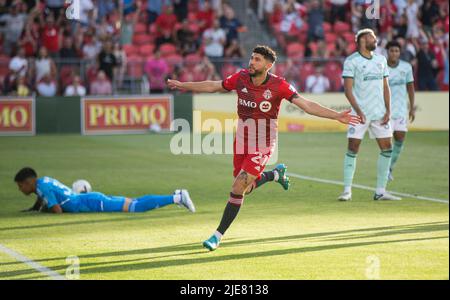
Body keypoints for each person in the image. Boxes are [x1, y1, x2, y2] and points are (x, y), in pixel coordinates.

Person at [167, 45, 361, 251]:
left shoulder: (279, 85)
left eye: (257, 59)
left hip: (263, 141)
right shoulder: (240, 77)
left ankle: (217, 236)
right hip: (242, 137)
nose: (252, 62)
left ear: (268, 65)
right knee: (246, 188)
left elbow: (306, 105)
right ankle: (275, 175)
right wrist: (184, 85)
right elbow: (214, 85)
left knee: (237, 187)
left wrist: (336, 115)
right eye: (252, 58)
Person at [338, 28, 401, 202]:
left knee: (387, 148)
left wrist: (388, 110)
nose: (376, 40)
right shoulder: (351, 61)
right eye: (372, 37)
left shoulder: (381, 60)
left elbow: (385, 87)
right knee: (353, 148)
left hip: (380, 114)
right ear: (362, 40)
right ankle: (347, 190)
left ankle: (380, 191)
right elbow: (347, 90)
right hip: (359, 114)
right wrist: (358, 111)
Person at [14, 167, 195, 214]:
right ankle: (176, 195)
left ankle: (177, 197)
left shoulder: (41, 187)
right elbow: (42, 199)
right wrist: (35, 208)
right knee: (135, 202)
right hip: (91, 199)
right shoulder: (43, 182)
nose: (21, 189)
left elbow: (57, 210)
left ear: (29, 181)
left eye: (21, 185)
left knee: (136, 206)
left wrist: (45, 210)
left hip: (93, 202)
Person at [385, 41, 415, 181]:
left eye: (397, 51)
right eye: (392, 50)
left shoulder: (406, 67)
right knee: (386, 142)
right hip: (385, 111)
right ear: (387, 52)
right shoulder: (381, 67)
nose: (394, 53)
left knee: (400, 139)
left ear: (400, 52)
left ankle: (389, 168)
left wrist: (412, 107)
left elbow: (410, 87)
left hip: (401, 110)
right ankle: (384, 168)